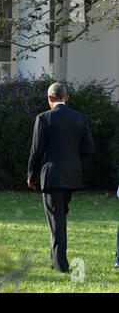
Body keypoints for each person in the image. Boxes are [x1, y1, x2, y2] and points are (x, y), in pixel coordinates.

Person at [27, 83, 95, 273]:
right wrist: (72, 158)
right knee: (60, 217)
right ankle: (54, 258)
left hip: (52, 175)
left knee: (56, 220)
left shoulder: (43, 118)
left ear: (49, 98)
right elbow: (89, 149)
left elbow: (36, 151)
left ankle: (60, 265)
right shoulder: (80, 118)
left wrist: (31, 175)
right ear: (66, 97)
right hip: (72, 175)